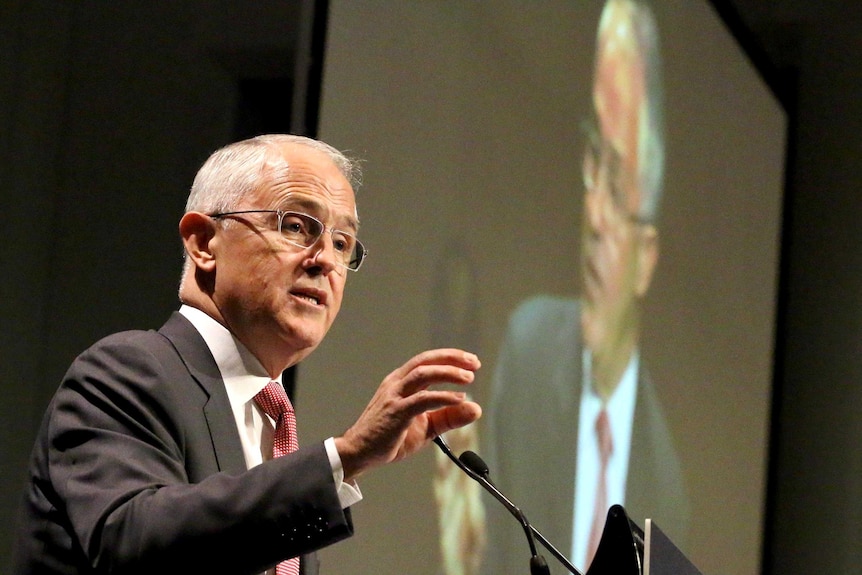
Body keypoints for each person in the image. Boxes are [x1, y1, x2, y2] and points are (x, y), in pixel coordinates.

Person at [13, 134, 483, 575]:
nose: (324, 260)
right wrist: (346, 456)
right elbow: (135, 543)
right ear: (203, 243)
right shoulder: (125, 373)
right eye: (297, 226)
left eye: (342, 243)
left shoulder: (275, 428)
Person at [434, 2, 687, 574]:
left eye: (618, 189)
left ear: (648, 258)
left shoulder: (669, 484)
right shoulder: (531, 348)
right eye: (594, 158)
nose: (594, 216)